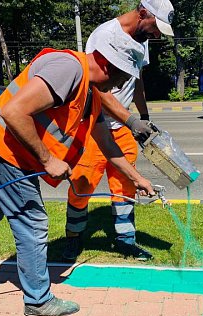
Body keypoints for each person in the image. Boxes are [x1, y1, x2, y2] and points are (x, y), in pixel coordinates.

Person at [0, 32, 155, 316]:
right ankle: (38, 300)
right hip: (2, 148)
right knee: (32, 220)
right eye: (122, 77)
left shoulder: (90, 94)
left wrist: (137, 179)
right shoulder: (68, 69)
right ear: (109, 65)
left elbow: (107, 144)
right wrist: (48, 160)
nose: (121, 85)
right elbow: (14, 111)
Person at [64, 0, 174, 261]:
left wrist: (143, 117)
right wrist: (130, 119)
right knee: (82, 185)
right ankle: (73, 238)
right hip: (94, 127)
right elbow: (97, 88)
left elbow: (137, 80)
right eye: (156, 27)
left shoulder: (142, 39)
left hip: (125, 128)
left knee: (125, 187)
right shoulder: (104, 36)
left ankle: (126, 241)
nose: (157, 34)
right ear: (143, 12)